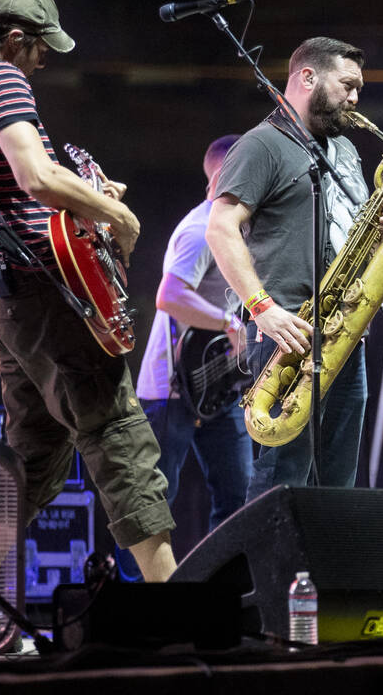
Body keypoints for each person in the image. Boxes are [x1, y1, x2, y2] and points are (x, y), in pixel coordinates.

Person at [0, 0, 175, 581]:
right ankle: (176, 607)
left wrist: (88, 196)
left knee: (31, 459)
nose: (43, 60)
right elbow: (36, 178)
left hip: (5, 301)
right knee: (117, 435)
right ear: (15, 39)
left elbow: (18, 192)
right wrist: (116, 215)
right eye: (41, 47)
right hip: (43, 296)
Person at [206, 37, 383, 498]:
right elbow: (220, 228)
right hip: (288, 332)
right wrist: (262, 308)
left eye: (359, 88)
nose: (355, 98)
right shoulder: (261, 145)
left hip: (344, 330)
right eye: (347, 85)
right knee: (282, 477)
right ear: (307, 77)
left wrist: (378, 233)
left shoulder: (345, 150)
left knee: (337, 483)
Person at [116, 135, 253, 579]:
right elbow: (170, 296)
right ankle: (129, 596)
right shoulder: (199, 230)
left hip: (217, 386)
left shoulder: (237, 230)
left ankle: (223, 593)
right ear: (225, 175)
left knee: (238, 498)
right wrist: (229, 323)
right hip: (171, 391)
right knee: (151, 505)